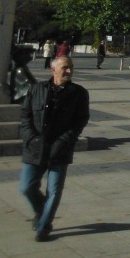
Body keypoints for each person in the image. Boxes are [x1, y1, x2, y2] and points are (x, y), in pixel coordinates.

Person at [19, 56, 90, 242]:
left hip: (60, 148)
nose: (69, 71)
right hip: (35, 147)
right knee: (26, 187)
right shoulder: (37, 89)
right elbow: (25, 116)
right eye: (65, 68)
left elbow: (80, 120)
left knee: (54, 191)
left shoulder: (79, 93)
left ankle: (43, 226)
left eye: (71, 68)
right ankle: (42, 210)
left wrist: (65, 140)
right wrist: (31, 138)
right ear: (53, 70)